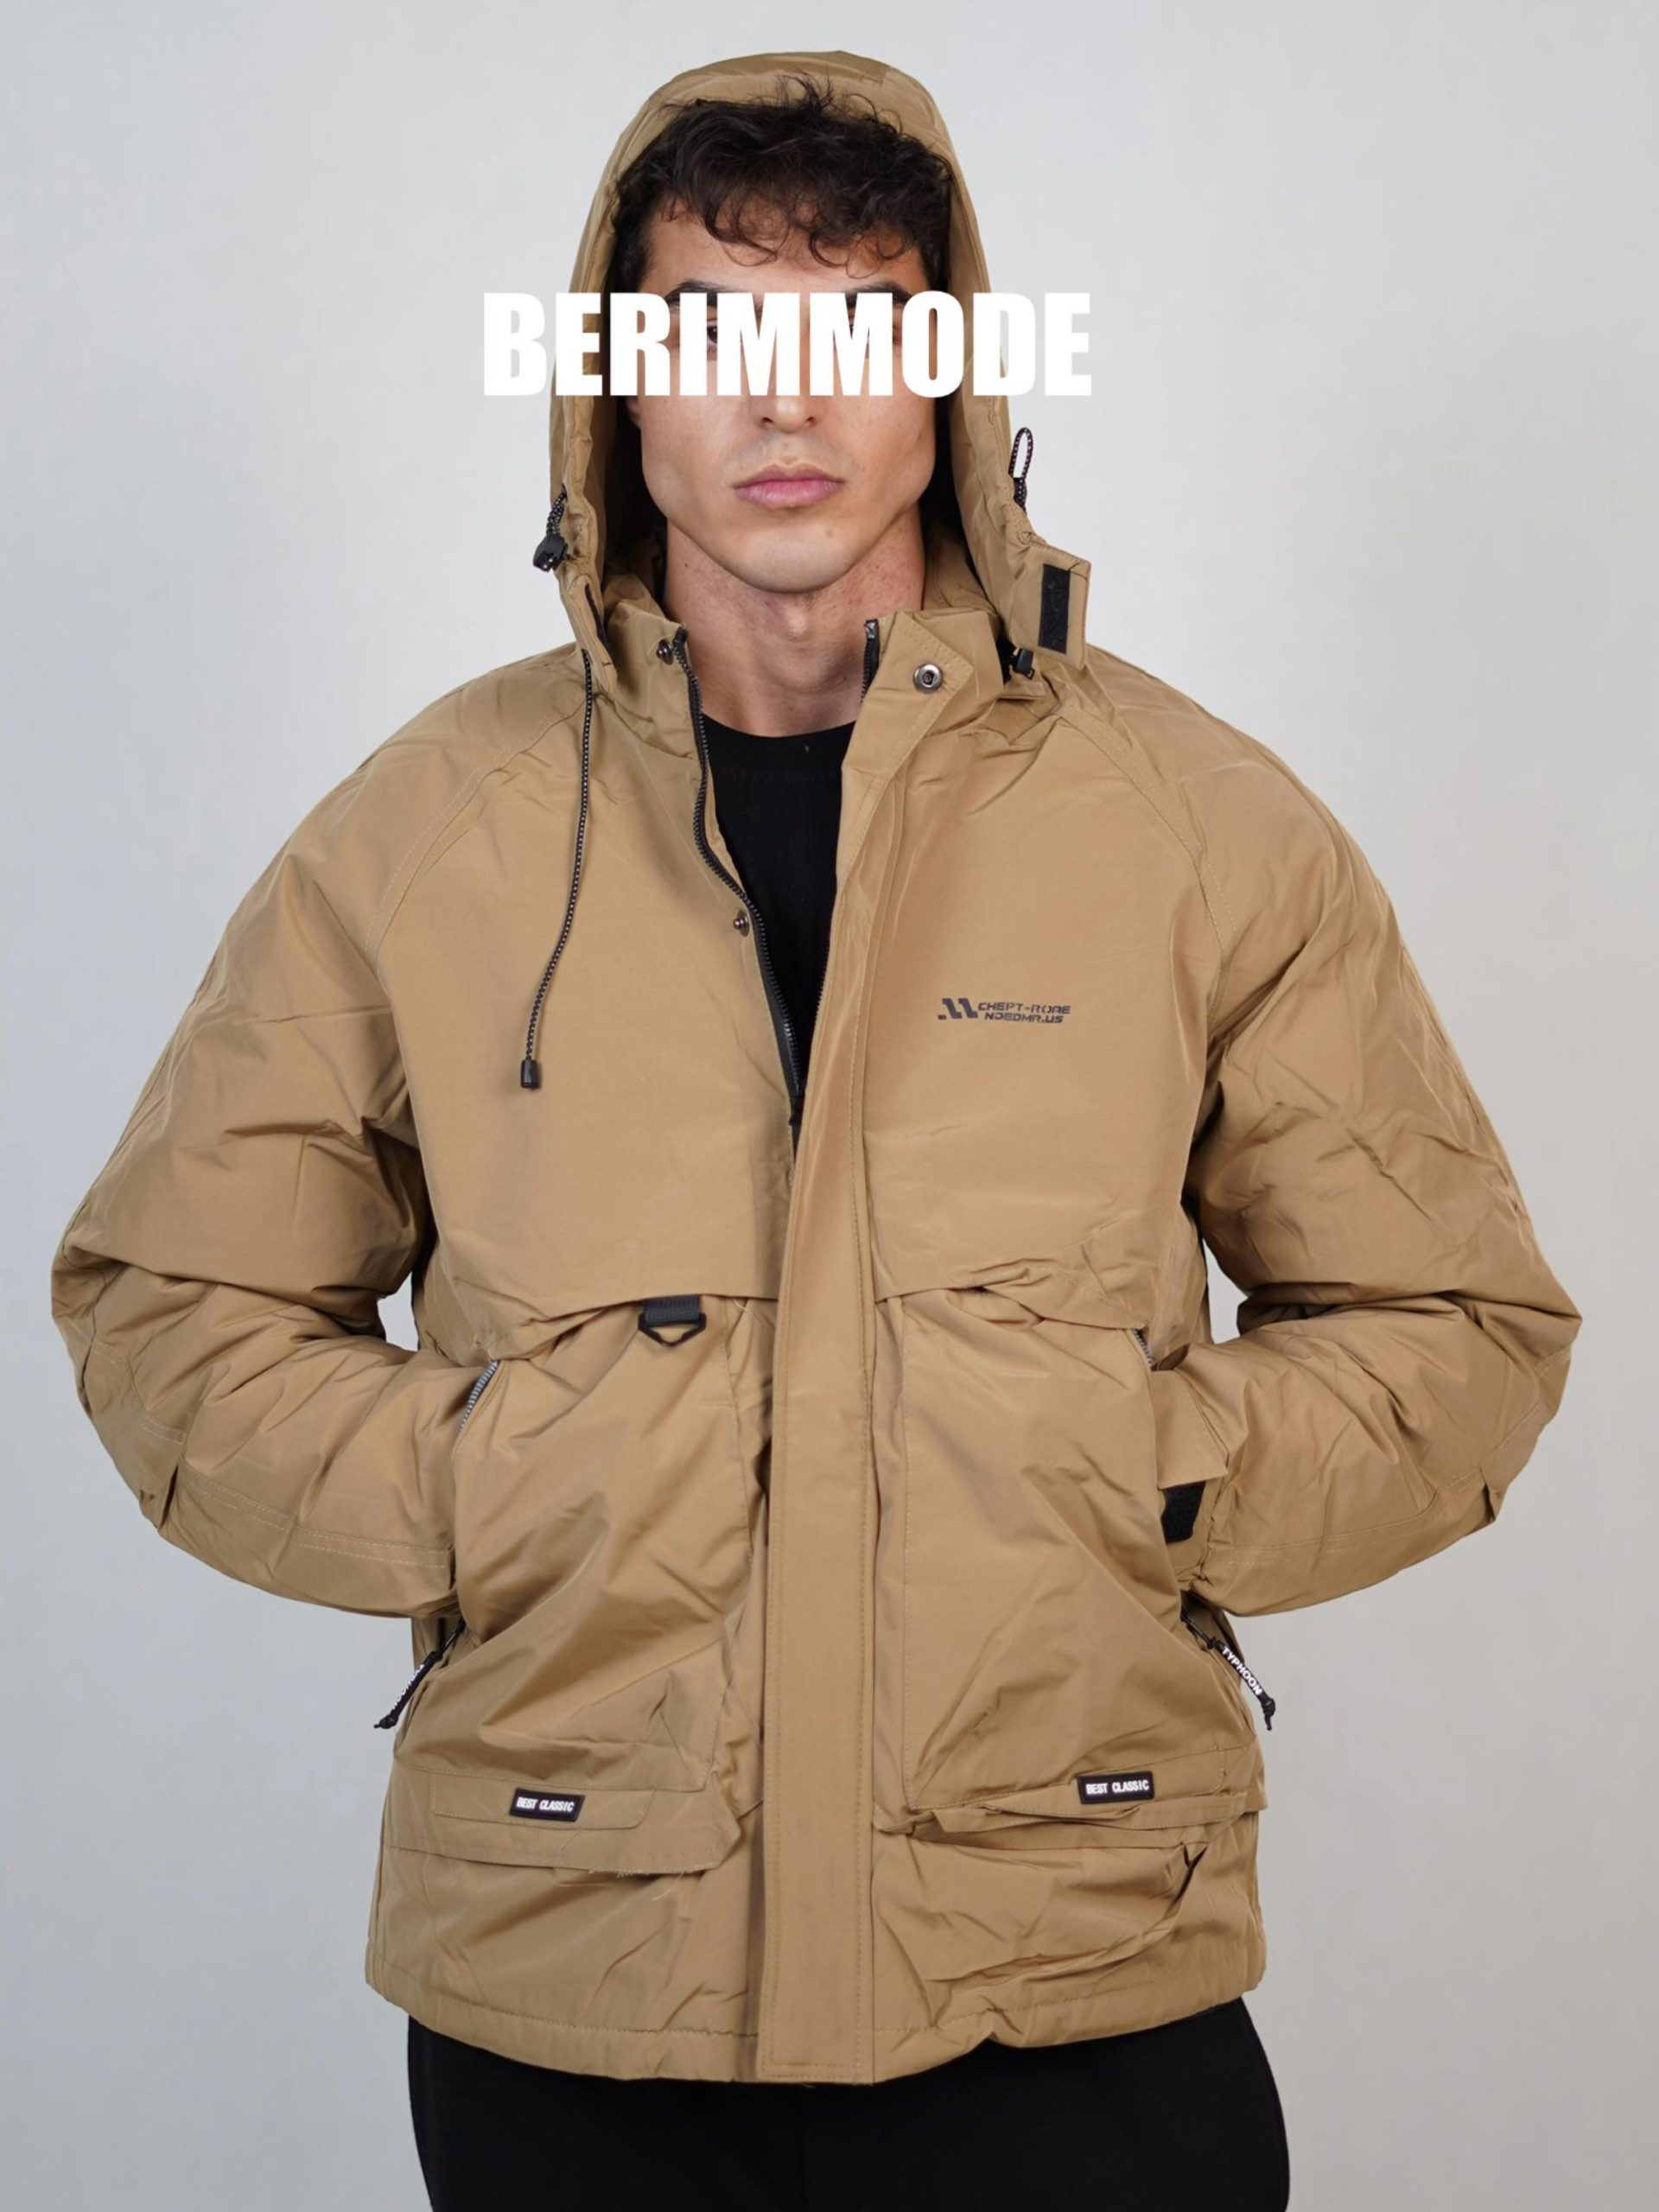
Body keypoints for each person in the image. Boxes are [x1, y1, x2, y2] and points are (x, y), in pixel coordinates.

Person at [49, 49, 1580, 2212]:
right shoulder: (428, 835)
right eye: (704, 329)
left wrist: (1142, 1463)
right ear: (614, 387)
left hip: (1068, 1979)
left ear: (952, 371)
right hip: (579, 1989)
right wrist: (498, 1483)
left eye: (857, 324)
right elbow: (171, 1310)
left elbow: (1458, 1325)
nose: (782, 400)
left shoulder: (1193, 827)